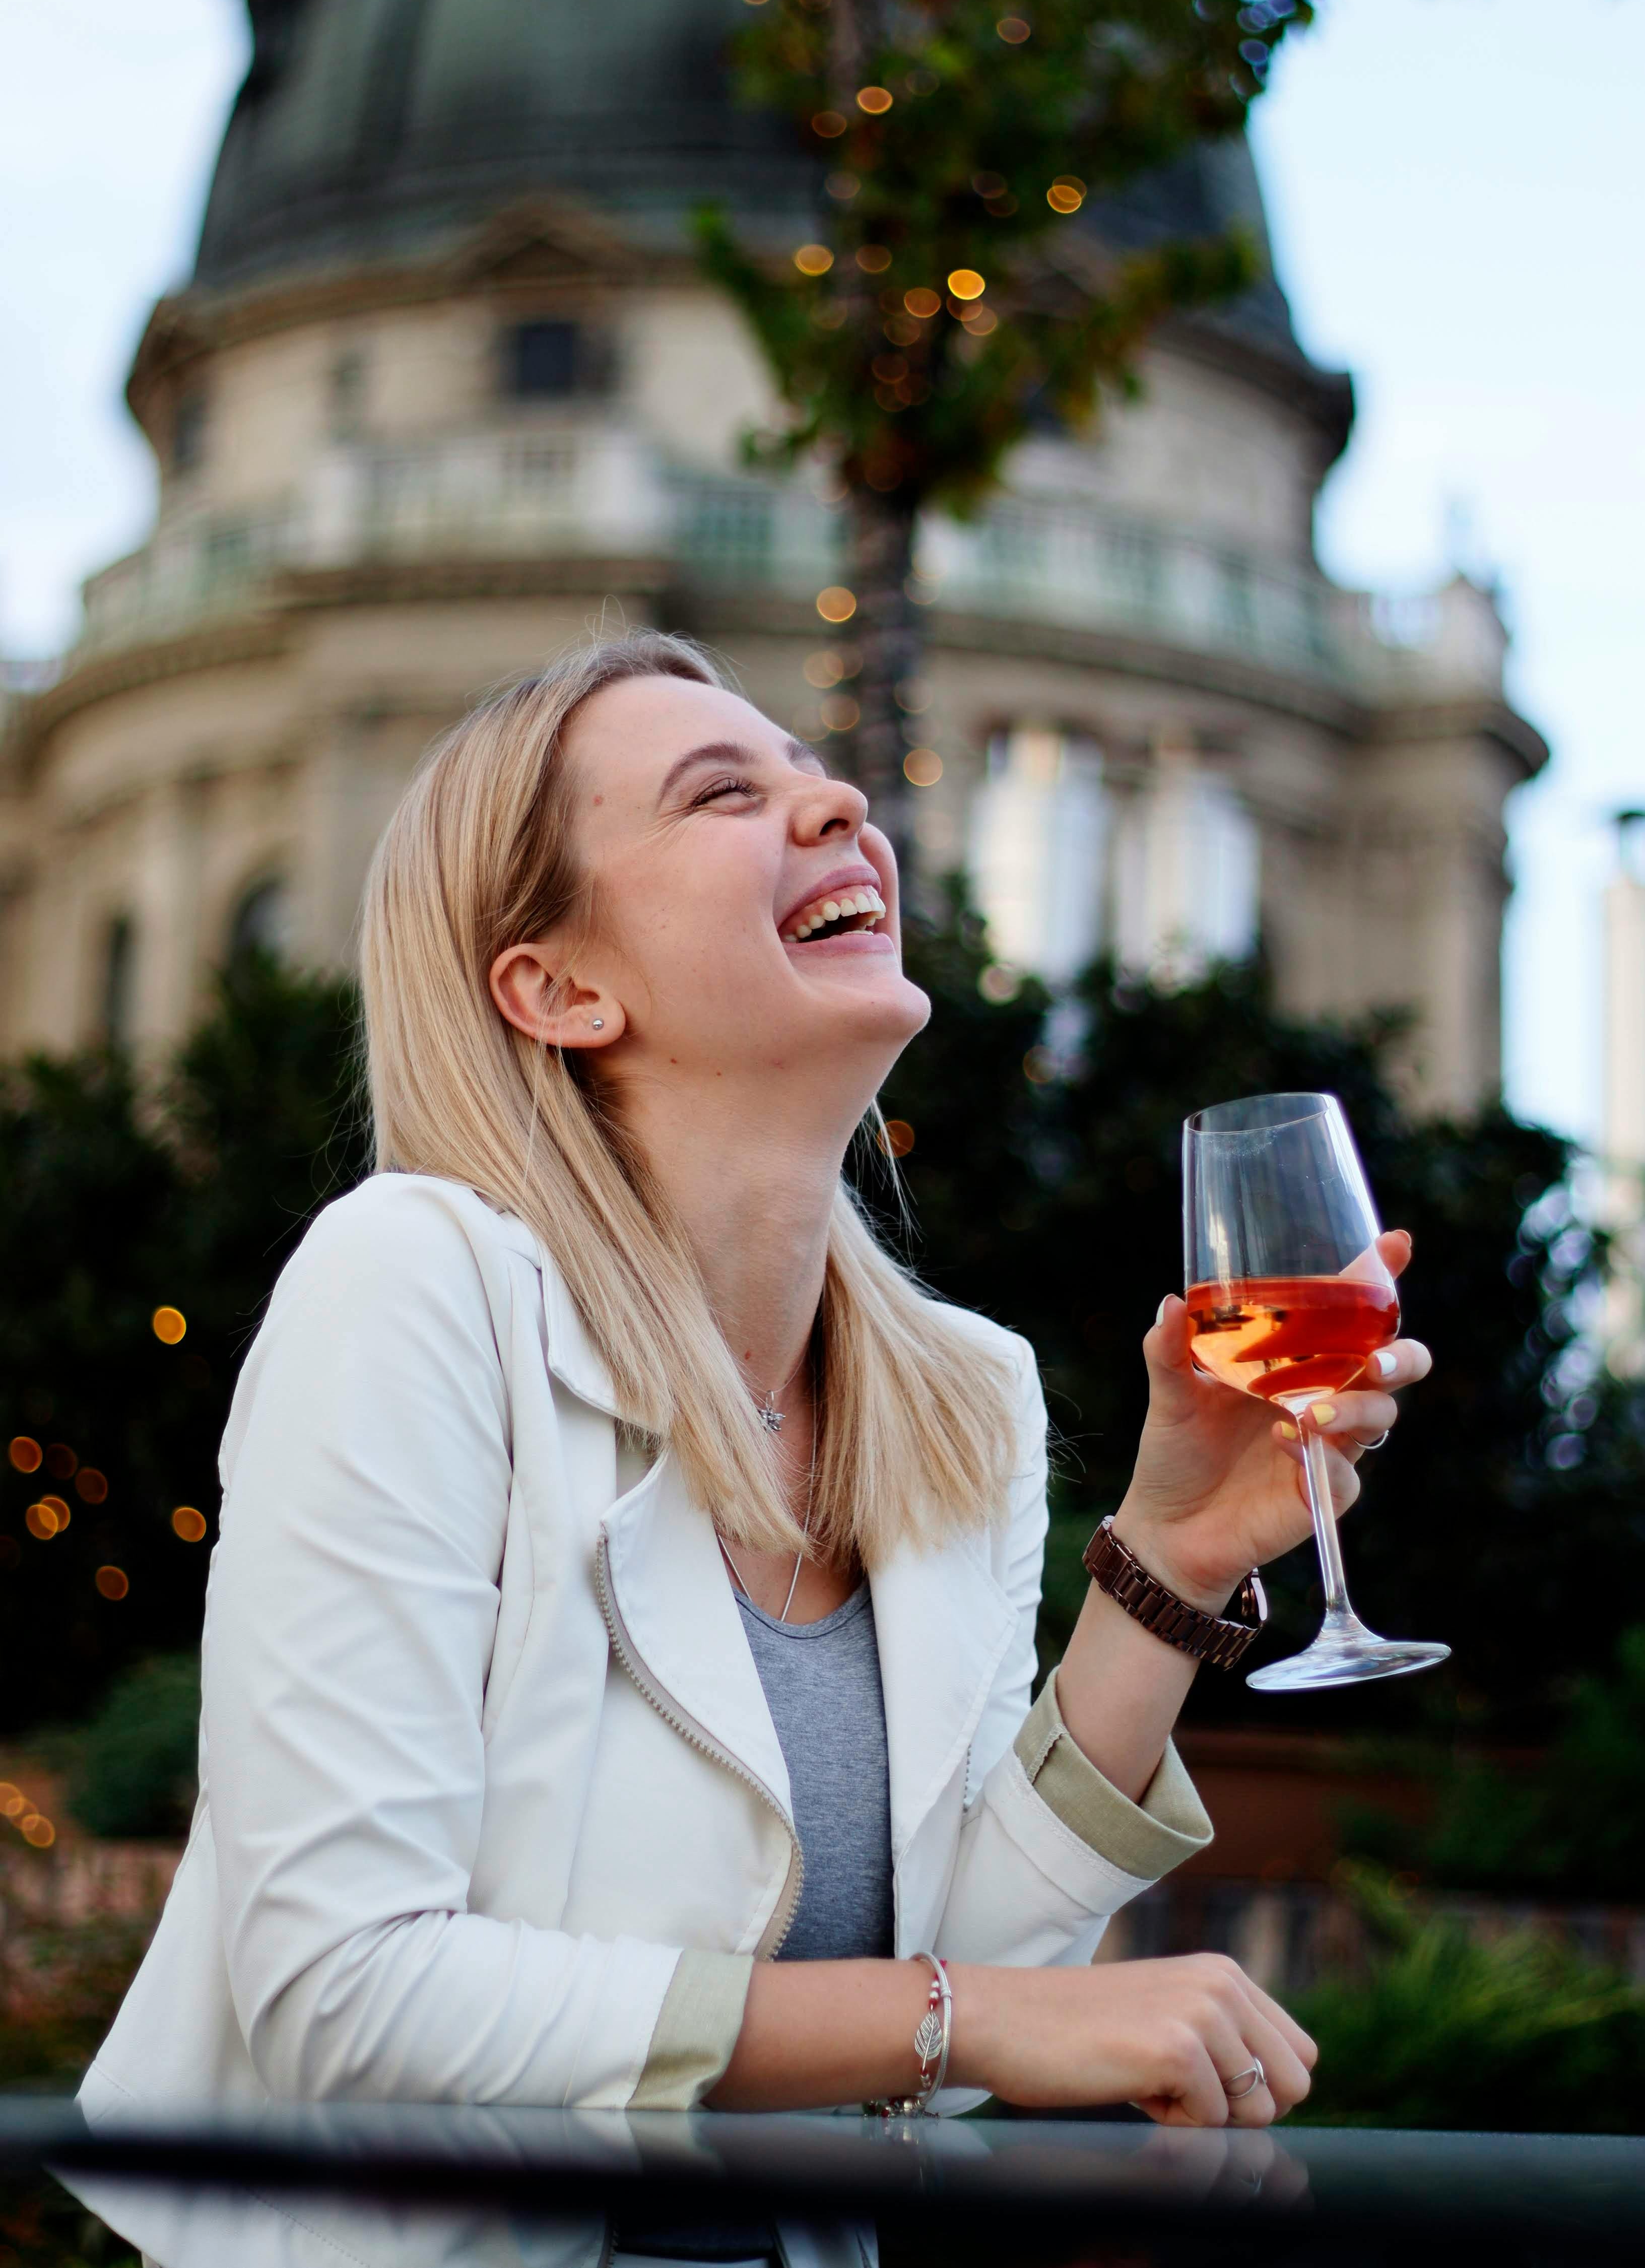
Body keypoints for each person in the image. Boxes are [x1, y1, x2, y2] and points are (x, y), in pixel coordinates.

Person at [76, 633, 1429, 2268]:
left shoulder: (964, 1392)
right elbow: (344, 1994)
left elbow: (965, 1982)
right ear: (559, 987)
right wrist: (962, 2015)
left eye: (816, 770)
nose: (837, 799)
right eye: (726, 791)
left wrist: (1167, 1565)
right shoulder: (416, 1281)